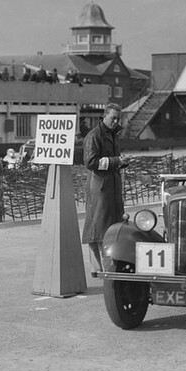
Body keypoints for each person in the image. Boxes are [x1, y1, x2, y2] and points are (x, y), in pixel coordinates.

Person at [81, 103, 129, 274]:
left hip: (110, 185)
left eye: (118, 118)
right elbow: (91, 162)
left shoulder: (113, 134)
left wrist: (121, 162)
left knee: (110, 224)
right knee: (99, 226)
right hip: (99, 187)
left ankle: (103, 266)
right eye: (112, 118)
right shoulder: (94, 136)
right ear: (104, 116)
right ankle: (99, 267)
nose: (115, 121)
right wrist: (117, 161)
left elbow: (111, 159)